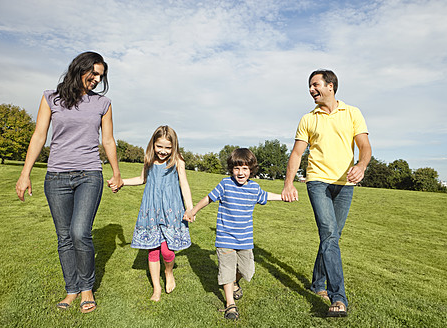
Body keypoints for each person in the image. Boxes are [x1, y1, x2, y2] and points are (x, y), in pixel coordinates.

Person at [15, 51, 123, 313]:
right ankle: (71, 289)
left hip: (89, 174)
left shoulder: (103, 104)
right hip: (56, 177)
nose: (97, 79)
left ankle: (87, 288)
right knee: (64, 237)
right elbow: (39, 135)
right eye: (94, 73)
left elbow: (107, 140)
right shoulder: (51, 98)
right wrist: (25, 172)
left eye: (101, 76)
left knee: (79, 232)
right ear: (79, 69)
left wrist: (116, 171)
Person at [281, 69, 372, 317]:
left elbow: (364, 146)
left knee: (332, 237)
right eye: (310, 86)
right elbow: (297, 154)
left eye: (315, 84)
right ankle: (338, 297)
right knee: (330, 234)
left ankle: (317, 283)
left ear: (330, 86)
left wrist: (361, 166)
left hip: (345, 185)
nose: (311, 90)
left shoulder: (353, 113)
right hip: (318, 182)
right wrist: (289, 183)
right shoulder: (308, 119)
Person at [185, 148, 287, 320]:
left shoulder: (254, 188)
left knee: (247, 271)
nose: (240, 172)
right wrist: (193, 211)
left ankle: (234, 283)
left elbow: (265, 196)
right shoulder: (225, 184)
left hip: (245, 240)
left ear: (251, 170)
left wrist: (283, 196)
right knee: (226, 269)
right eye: (237, 168)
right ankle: (230, 304)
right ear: (231, 169)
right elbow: (208, 198)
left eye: (245, 168)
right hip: (225, 238)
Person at [111, 125, 193, 302]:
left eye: (167, 147)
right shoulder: (148, 159)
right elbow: (142, 179)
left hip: (171, 211)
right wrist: (121, 182)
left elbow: (184, 184)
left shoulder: (178, 161)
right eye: (159, 146)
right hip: (151, 211)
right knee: (153, 250)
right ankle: (156, 288)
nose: (163, 151)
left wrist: (190, 208)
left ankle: (168, 271)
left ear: (174, 147)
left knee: (168, 251)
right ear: (153, 144)